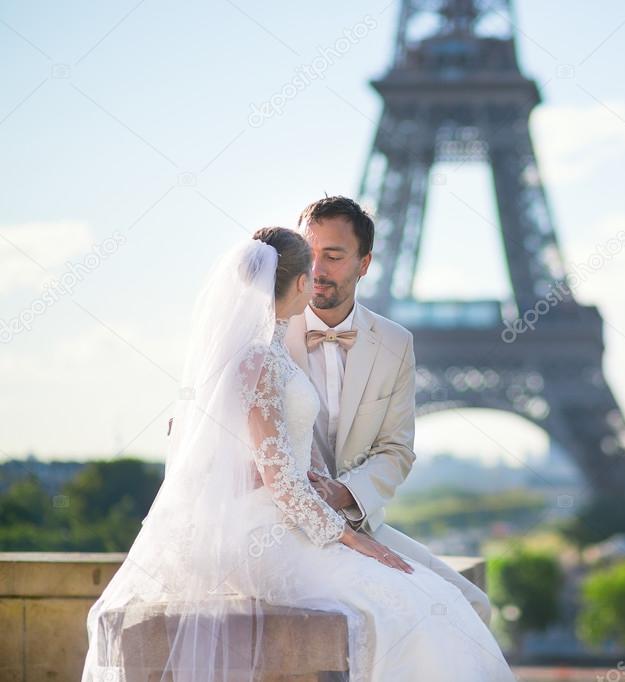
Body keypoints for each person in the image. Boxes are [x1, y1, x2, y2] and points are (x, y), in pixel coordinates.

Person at [81, 228, 515, 681]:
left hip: (288, 519)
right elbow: (279, 481)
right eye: (310, 271)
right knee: (409, 602)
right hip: (269, 531)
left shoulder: (263, 353)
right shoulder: (259, 359)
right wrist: (351, 538)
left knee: (427, 598)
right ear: (298, 283)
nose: (317, 279)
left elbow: (281, 454)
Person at [286, 195, 492, 622]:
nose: (318, 270)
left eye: (334, 256)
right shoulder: (263, 333)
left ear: (364, 263)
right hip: (281, 526)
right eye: (309, 254)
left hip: (357, 521)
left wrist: (342, 492)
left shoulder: (396, 343)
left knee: (472, 605)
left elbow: (396, 449)